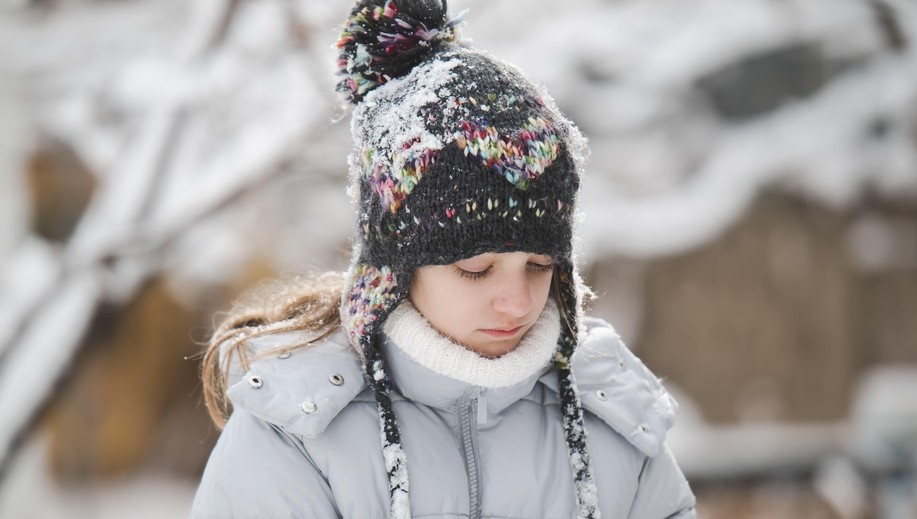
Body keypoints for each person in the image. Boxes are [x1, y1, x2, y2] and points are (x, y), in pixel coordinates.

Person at [192, 0, 696, 517]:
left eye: (540, 266)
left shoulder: (615, 425)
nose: (518, 301)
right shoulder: (297, 438)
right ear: (394, 269)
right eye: (475, 269)